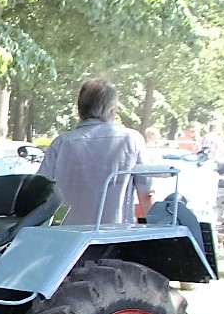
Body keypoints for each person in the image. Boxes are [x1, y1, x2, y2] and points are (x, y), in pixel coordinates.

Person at [37, 78, 151, 225]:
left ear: (79, 109)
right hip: (114, 236)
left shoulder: (61, 144)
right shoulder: (131, 140)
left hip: (68, 238)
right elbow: (146, 195)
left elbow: (41, 193)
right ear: (112, 110)